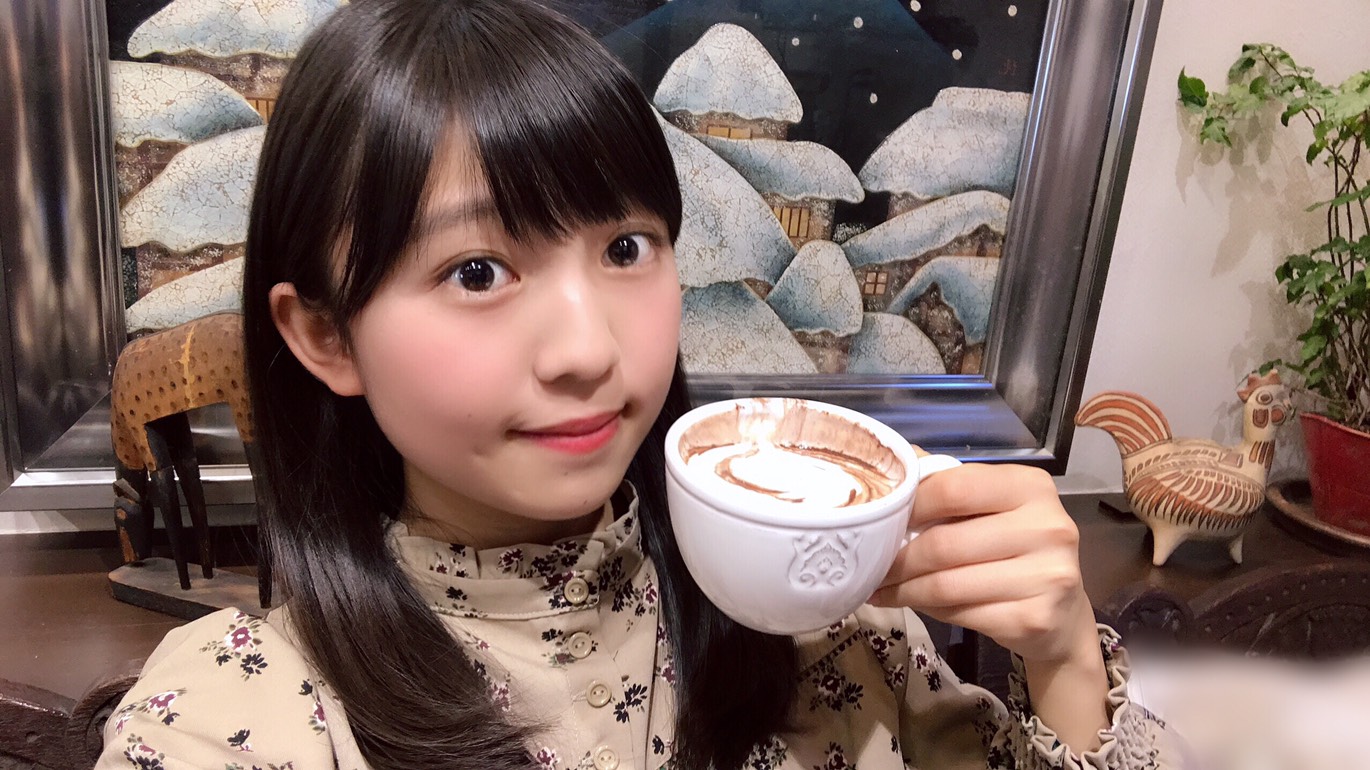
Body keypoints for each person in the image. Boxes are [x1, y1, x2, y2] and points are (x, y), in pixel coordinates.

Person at [97, 1, 1178, 768]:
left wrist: (1064, 663)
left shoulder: (826, 627)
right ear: (326, 336)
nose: (587, 350)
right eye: (476, 271)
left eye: (625, 247)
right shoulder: (233, 719)